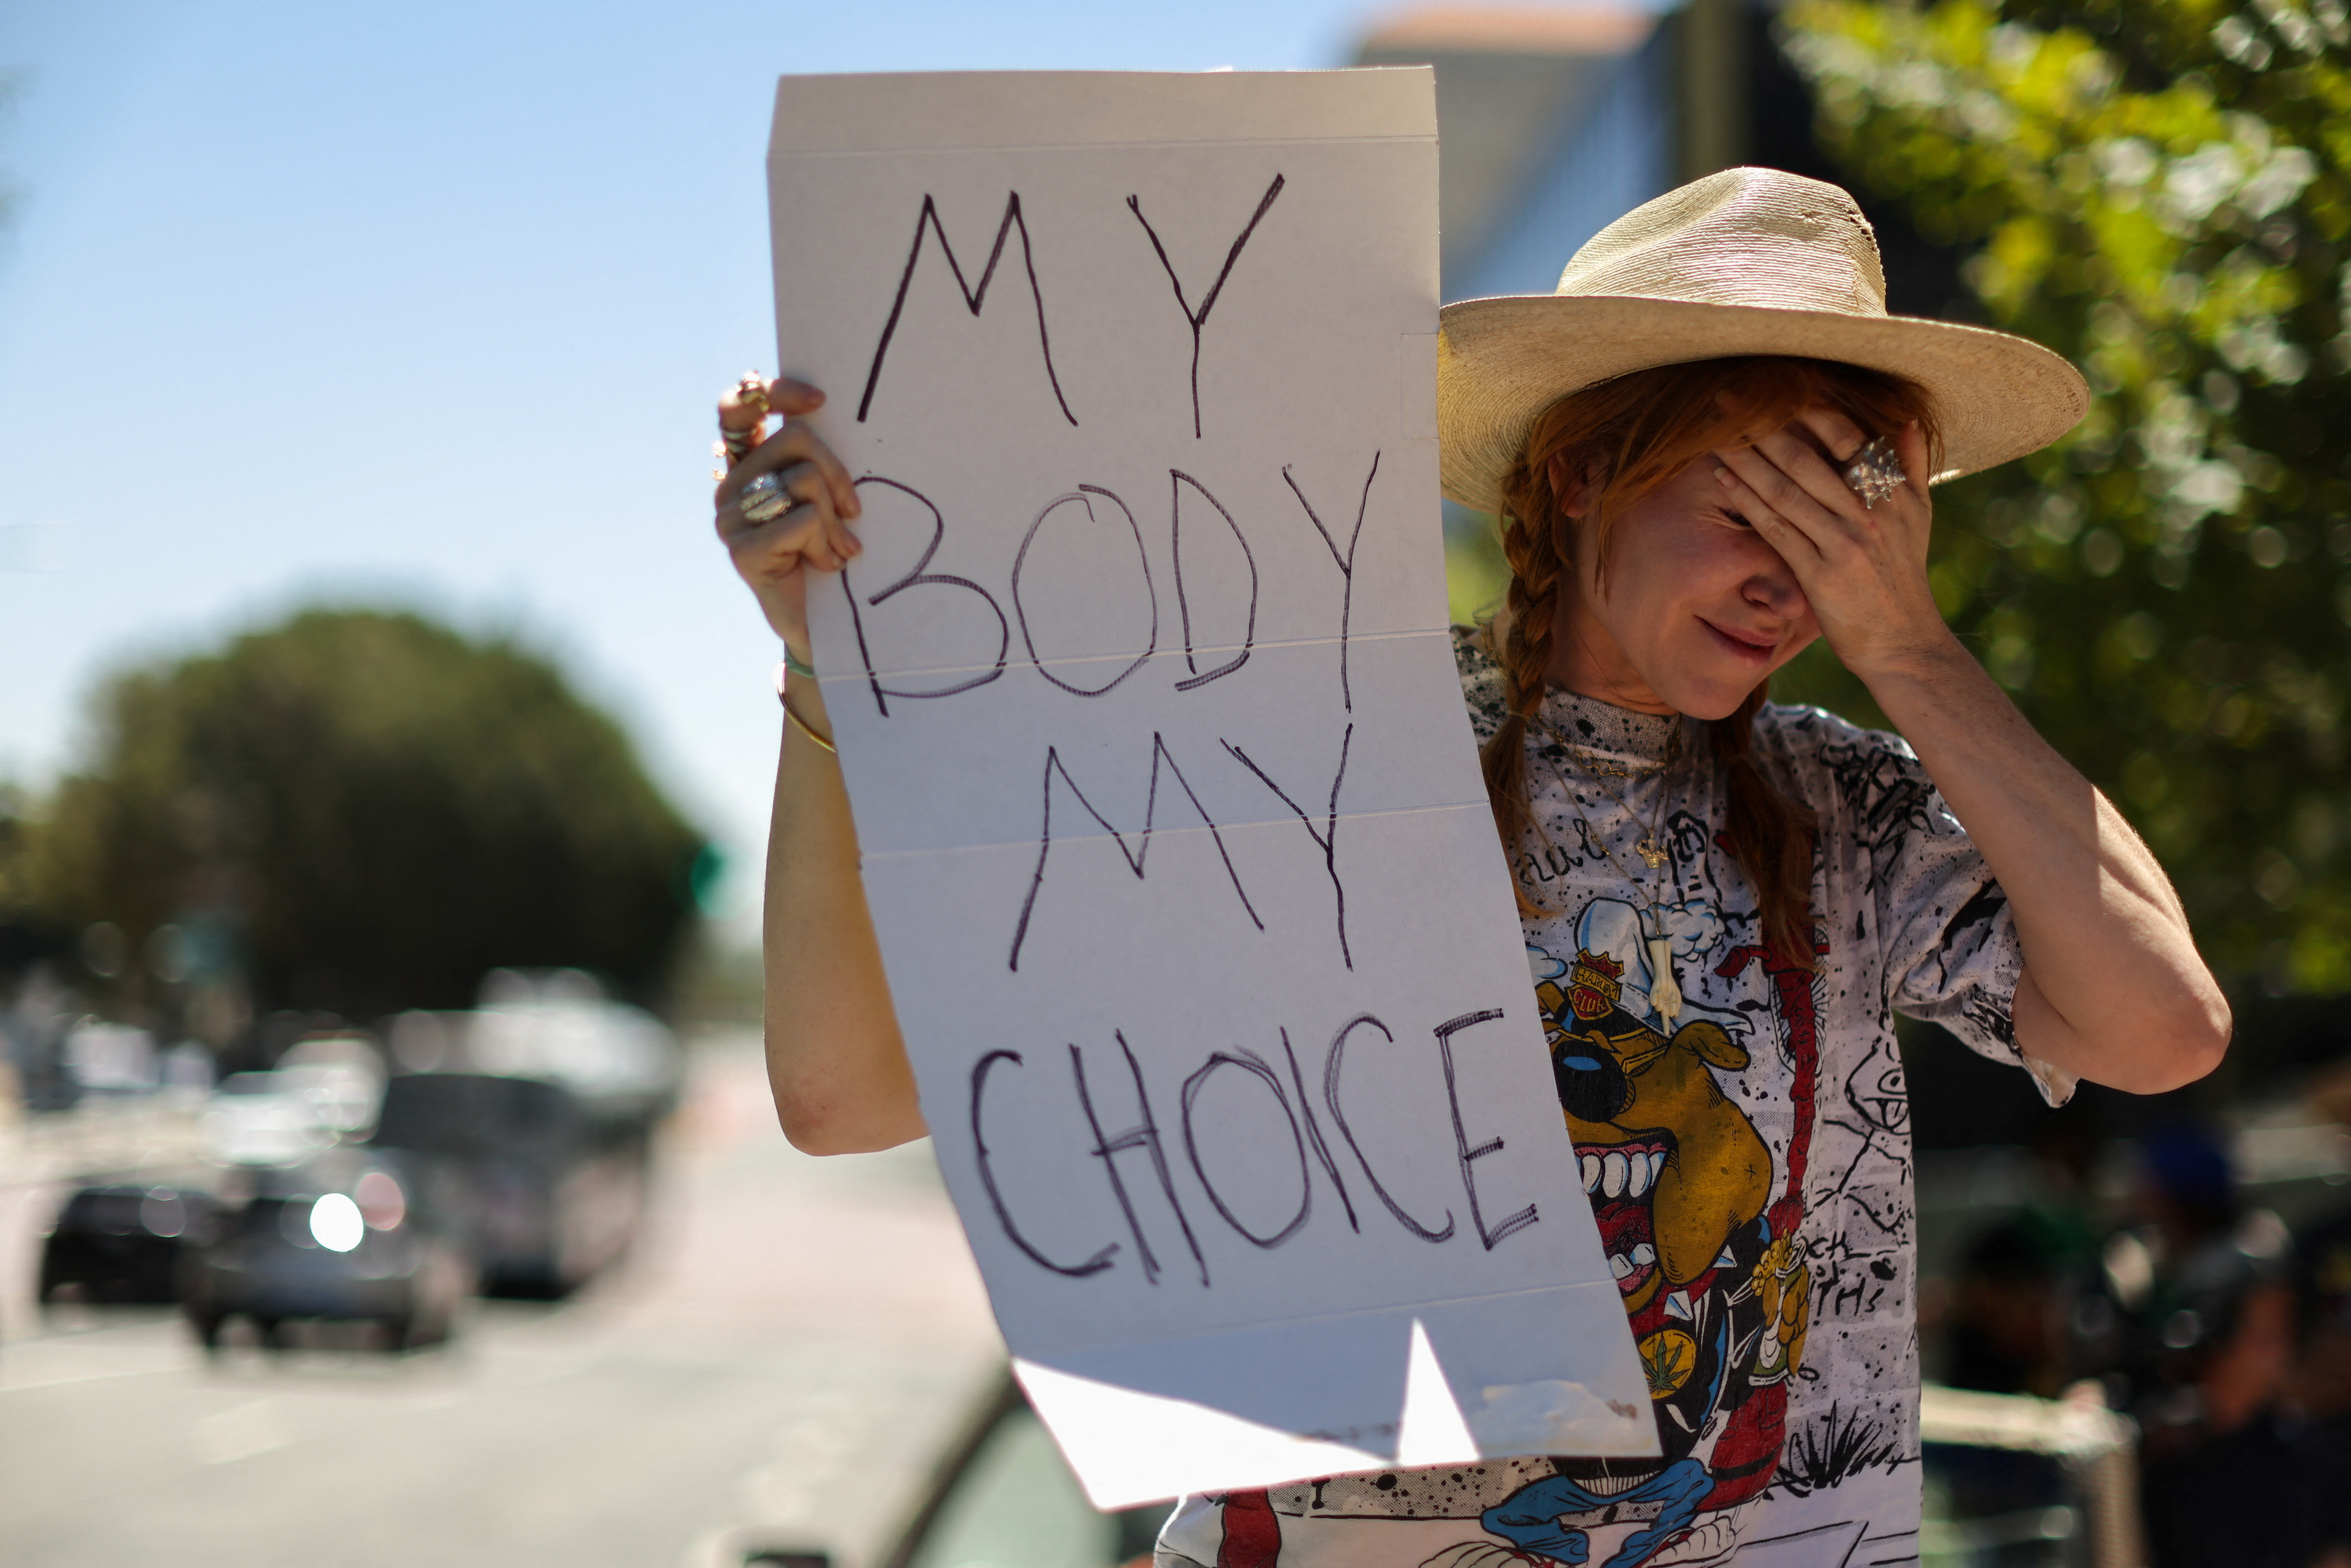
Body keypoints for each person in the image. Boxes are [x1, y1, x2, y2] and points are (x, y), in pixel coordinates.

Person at [712, 167, 2230, 1568]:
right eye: (1753, 502)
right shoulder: (1308, 744)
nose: (1797, 576)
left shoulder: (1848, 803)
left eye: (1856, 521)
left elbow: (2161, 1026)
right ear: (1578, 474)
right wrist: (829, 668)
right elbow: (851, 1091)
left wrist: (1908, 643)